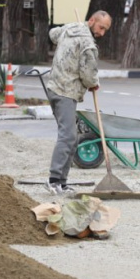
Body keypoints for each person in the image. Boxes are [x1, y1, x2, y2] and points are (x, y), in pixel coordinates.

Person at [46, 11, 112, 194]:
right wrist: (94, 84)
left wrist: (71, 33)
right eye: (101, 27)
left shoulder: (70, 28)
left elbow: (53, 35)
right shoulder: (88, 45)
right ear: (92, 20)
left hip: (54, 87)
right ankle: (54, 180)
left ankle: (62, 182)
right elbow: (88, 76)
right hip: (65, 92)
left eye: (105, 30)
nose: (102, 33)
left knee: (72, 137)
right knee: (68, 136)